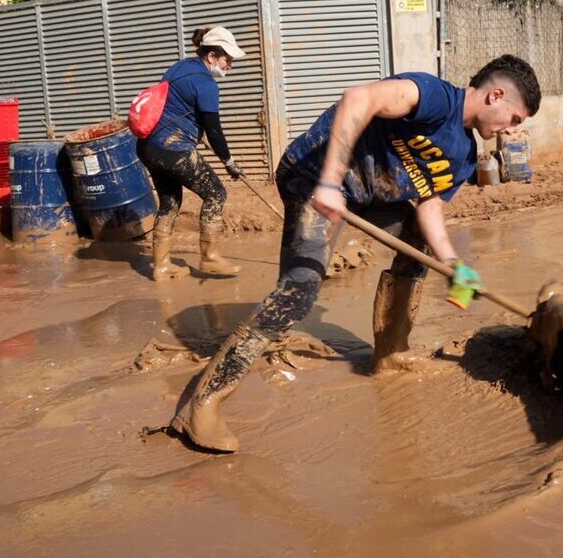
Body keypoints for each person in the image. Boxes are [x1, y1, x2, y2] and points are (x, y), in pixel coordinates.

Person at [171, 54, 542, 452]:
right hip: (314, 175)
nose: (510, 131)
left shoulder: (464, 157)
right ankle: (202, 405)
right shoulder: (434, 96)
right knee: (299, 290)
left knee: (420, 247)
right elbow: (357, 99)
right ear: (496, 95)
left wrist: (451, 262)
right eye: (515, 119)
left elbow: (428, 202)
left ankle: (390, 354)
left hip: (366, 197)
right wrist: (331, 181)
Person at [137, 26, 246, 281]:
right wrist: (229, 162)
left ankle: (162, 267)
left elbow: (177, 102)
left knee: (170, 202)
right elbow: (215, 131)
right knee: (216, 193)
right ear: (211, 57)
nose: (230, 64)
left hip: (148, 147)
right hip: (173, 149)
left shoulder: (181, 66)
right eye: (226, 59)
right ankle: (210, 257)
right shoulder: (206, 84)